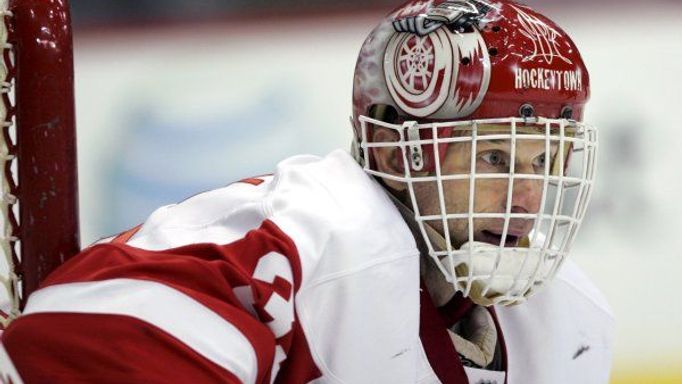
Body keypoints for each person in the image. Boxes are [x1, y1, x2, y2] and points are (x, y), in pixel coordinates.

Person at [0, 0, 614, 383]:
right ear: (402, 152)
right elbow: (70, 344)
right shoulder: (298, 246)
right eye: (495, 157)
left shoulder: (571, 319)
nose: (528, 198)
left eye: (547, 161)